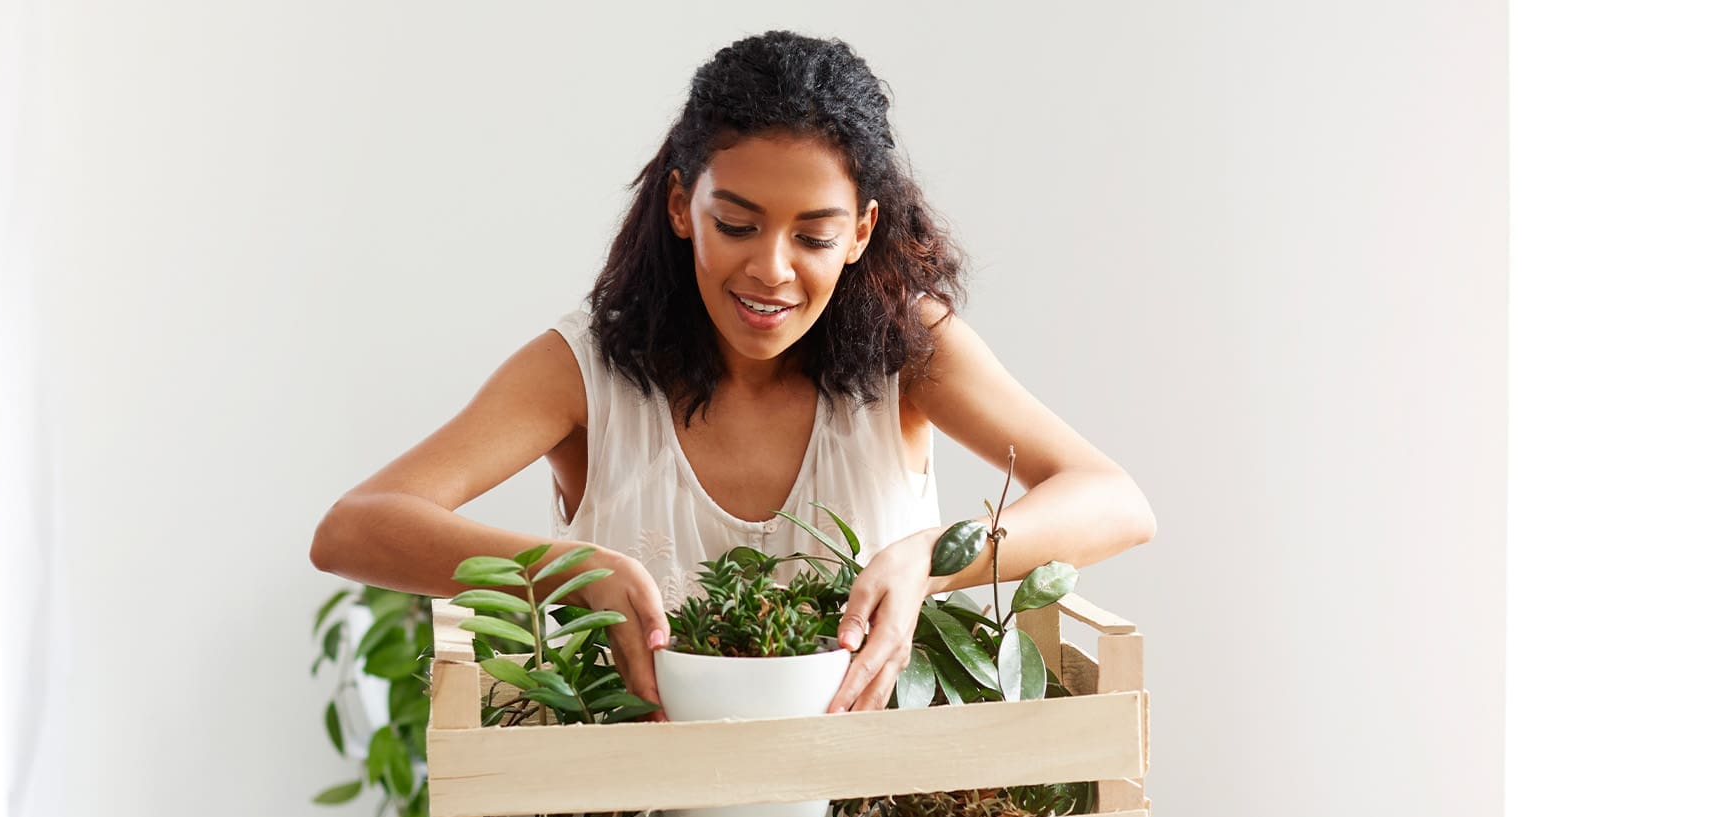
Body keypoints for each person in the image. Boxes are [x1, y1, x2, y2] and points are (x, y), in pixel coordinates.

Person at [310, 30, 1155, 718]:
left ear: (861, 232)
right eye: (738, 224)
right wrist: (572, 571)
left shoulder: (911, 349)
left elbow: (1116, 500)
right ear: (683, 206)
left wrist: (931, 561)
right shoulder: (584, 371)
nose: (772, 271)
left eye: (814, 237)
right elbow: (355, 529)